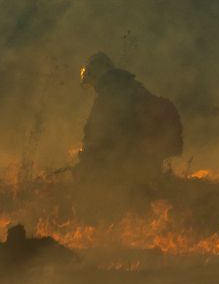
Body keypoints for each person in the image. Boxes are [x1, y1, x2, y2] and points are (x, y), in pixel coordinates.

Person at [75, 52, 183, 189]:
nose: (92, 87)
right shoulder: (135, 88)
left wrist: (86, 162)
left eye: (90, 81)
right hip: (148, 169)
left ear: (94, 75)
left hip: (124, 173)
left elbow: (95, 134)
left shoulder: (108, 95)